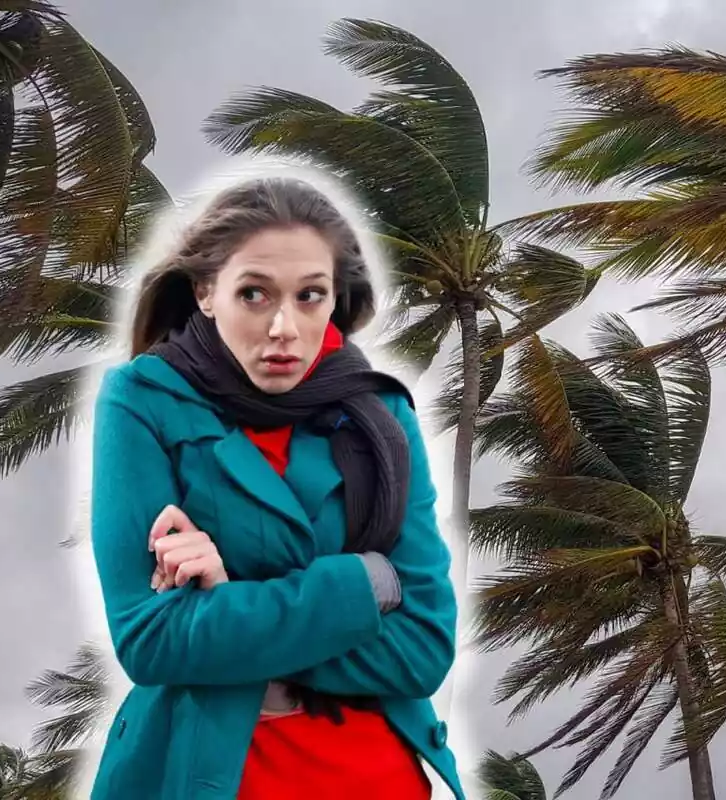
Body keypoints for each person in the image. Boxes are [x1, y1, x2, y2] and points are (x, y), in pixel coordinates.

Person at [86, 175, 463, 800]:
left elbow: (422, 650)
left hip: (379, 777)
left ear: (334, 297)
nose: (284, 326)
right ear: (207, 292)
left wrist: (230, 601)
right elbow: (149, 639)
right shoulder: (143, 400)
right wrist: (360, 586)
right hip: (209, 774)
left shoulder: (381, 419)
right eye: (255, 293)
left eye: (310, 296)